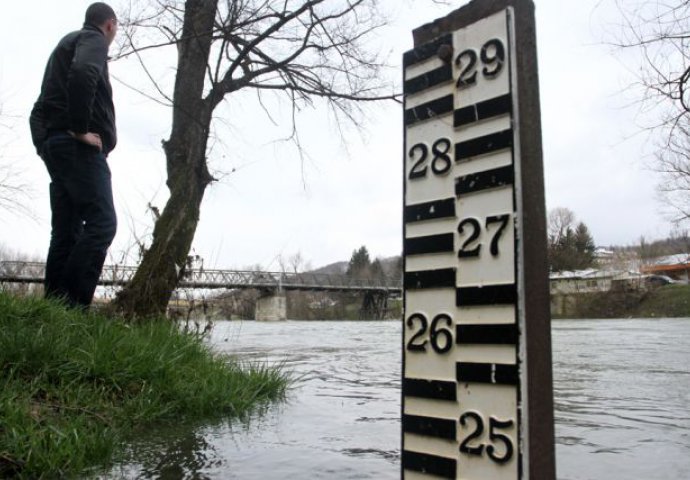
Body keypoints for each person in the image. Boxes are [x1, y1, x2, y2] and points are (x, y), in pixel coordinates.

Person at [29, 3, 119, 309]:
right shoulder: (92, 40)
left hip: (57, 147)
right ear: (109, 25)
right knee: (102, 223)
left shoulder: (62, 48)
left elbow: (39, 107)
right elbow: (84, 72)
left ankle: (52, 309)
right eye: (115, 30)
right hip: (77, 148)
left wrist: (44, 144)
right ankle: (72, 307)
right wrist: (80, 130)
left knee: (67, 229)